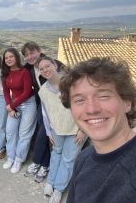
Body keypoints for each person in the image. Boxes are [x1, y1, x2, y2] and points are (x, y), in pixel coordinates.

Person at [59, 57, 136, 203]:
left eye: (103, 96)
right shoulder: (84, 158)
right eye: (79, 100)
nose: (92, 109)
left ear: (127, 103)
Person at [37, 56, 86, 203]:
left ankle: (58, 189)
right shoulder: (43, 91)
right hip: (56, 130)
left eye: (48, 66)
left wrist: (83, 129)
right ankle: (50, 182)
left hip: (75, 130)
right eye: (41, 68)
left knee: (68, 159)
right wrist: (48, 131)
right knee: (56, 154)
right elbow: (45, 114)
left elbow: (84, 105)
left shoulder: (71, 84)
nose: (45, 70)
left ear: (55, 65)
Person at [21, 41, 63, 183]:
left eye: (32, 52)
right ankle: (45, 165)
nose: (30, 56)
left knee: (42, 133)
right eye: (26, 55)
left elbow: (69, 76)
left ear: (39, 51)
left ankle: (37, 161)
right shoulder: (27, 68)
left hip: (58, 105)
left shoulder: (52, 63)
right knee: (43, 132)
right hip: (42, 105)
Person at [1, 47, 37, 174]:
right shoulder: (5, 73)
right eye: (6, 58)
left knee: (24, 134)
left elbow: (27, 92)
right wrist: (9, 106)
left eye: (11, 56)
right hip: (14, 104)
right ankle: (10, 157)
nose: (9, 59)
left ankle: (18, 159)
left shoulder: (24, 72)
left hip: (28, 104)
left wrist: (12, 106)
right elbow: (6, 92)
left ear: (16, 57)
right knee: (10, 132)